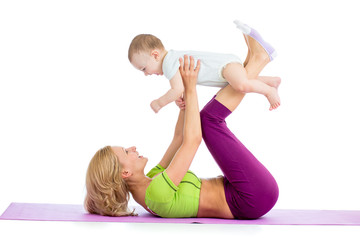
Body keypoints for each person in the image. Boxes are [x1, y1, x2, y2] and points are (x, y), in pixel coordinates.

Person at [84, 33, 279, 219]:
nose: (132, 148)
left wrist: (184, 107)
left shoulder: (152, 179)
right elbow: (192, 141)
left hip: (241, 190)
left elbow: (179, 138)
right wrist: (190, 87)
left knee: (208, 120)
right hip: (251, 198)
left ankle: (256, 61)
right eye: (127, 152)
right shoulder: (156, 193)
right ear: (125, 173)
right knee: (209, 122)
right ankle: (257, 61)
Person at [128, 20, 281, 112]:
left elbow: (177, 89)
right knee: (240, 81)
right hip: (226, 70)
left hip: (224, 68)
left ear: (155, 55)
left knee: (241, 85)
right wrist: (178, 98)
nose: (146, 74)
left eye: (144, 69)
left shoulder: (168, 63)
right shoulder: (172, 60)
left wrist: (159, 102)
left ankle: (268, 91)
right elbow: (180, 88)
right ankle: (270, 81)